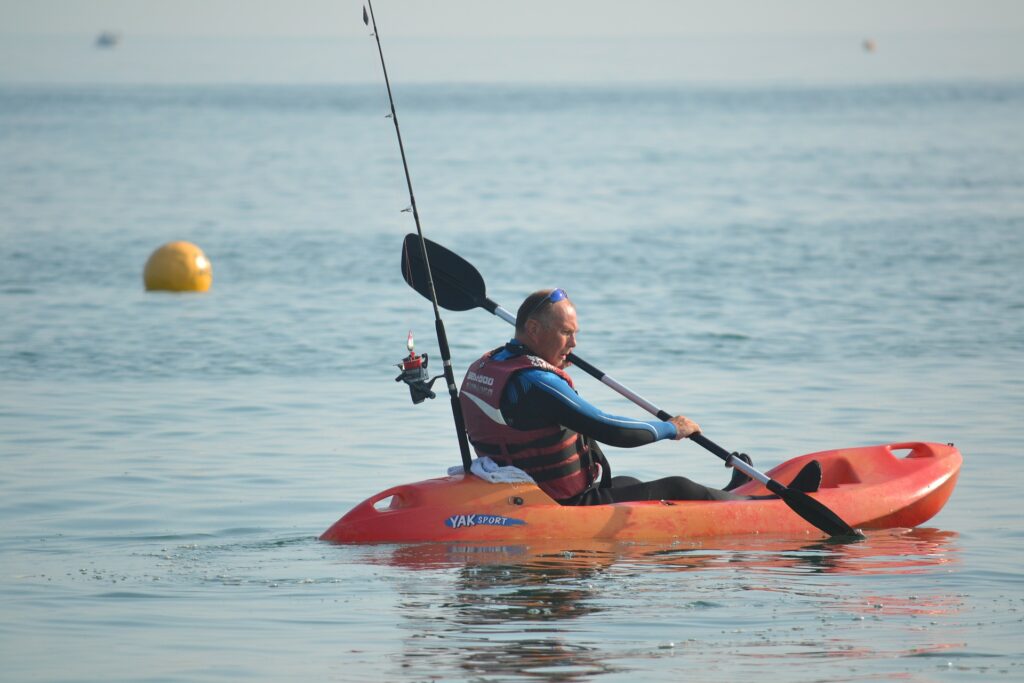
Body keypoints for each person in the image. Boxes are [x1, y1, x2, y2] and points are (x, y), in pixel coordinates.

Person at [459, 288, 819, 505]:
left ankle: (732, 492)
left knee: (629, 484)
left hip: (527, 489)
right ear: (534, 330)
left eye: (575, 333)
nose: (574, 344)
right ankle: (772, 504)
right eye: (566, 333)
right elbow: (611, 430)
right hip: (561, 502)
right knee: (679, 487)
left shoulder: (490, 364)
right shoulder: (536, 383)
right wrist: (671, 428)